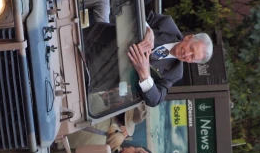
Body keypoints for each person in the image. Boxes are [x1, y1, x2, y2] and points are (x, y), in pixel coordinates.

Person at [84, 14, 214, 107]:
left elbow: (155, 100)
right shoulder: (167, 24)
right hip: (94, 43)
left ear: (191, 62)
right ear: (189, 37)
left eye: (192, 57)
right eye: (191, 48)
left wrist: (145, 74)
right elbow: (132, 11)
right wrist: (147, 28)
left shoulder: (175, 72)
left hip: (96, 76)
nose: (187, 54)